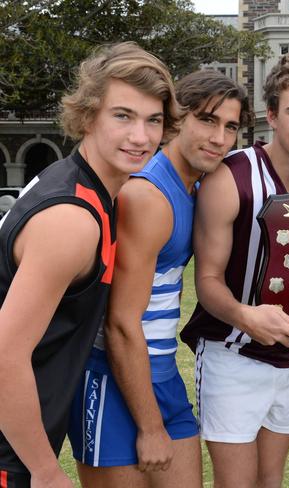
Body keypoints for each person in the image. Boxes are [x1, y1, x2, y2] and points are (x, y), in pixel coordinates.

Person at [0, 42, 178, 488]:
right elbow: (4, 355)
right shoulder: (73, 221)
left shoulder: (86, 188)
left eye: (152, 120)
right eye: (123, 116)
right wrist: (43, 470)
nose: (141, 136)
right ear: (87, 116)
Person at [67, 70, 250, 487]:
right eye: (207, 120)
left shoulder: (194, 187)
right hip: (112, 376)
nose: (219, 138)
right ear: (176, 120)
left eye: (230, 126)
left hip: (162, 373)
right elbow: (120, 323)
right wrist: (150, 428)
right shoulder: (148, 195)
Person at [179, 53, 289, 488]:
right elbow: (208, 281)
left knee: (270, 481)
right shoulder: (231, 177)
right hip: (232, 353)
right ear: (272, 115)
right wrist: (248, 317)